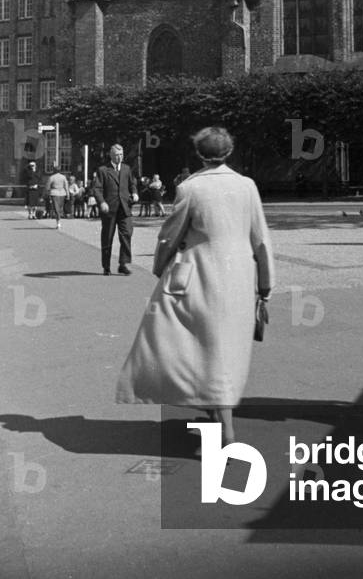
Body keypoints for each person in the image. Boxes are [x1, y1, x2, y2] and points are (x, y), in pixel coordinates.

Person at [116, 126, 274, 446]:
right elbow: (261, 241)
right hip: (240, 279)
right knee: (225, 351)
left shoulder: (191, 188)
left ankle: (223, 426)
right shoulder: (247, 186)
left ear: (200, 154)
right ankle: (220, 418)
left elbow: (169, 235)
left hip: (200, 277)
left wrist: (160, 266)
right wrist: (265, 286)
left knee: (189, 344)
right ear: (229, 152)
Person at [93, 144, 139, 276]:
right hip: (109, 208)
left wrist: (135, 193)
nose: (119, 157)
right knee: (107, 237)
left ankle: (123, 264)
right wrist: (102, 202)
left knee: (127, 234)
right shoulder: (103, 170)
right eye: (117, 155)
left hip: (125, 208)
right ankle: (106, 266)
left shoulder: (126, 169)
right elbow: (97, 189)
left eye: (121, 155)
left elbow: (132, 183)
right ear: (111, 155)